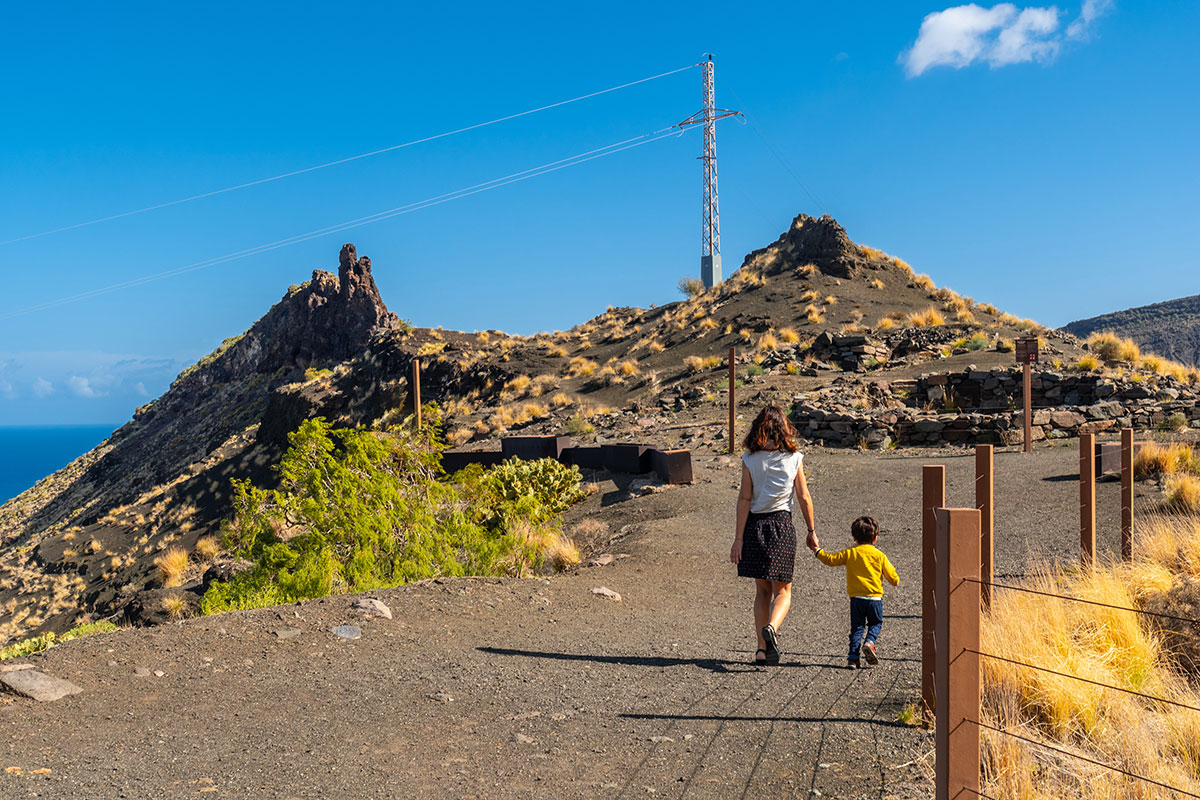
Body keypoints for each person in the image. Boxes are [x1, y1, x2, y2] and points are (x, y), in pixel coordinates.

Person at [730, 404, 817, 666]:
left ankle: (760, 650)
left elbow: (744, 499)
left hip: (755, 527)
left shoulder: (750, 460)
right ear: (784, 430)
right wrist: (811, 531)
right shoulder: (794, 459)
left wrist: (738, 539)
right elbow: (803, 497)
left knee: (761, 591)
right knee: (784, 590)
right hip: (781, 526)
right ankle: (772, 629)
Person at [810, 516, 899, 669]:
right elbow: (894, 579)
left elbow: (831, 559)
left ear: (854, 538)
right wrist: (894, 579)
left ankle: (853, 659)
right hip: (875, 599)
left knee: (857, 627)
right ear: (875, 538)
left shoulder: (850, 553)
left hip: (856, 599)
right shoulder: (879, 556)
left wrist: (817, 550)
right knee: (876, 623)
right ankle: (870, 642)